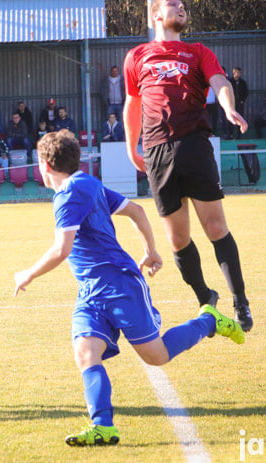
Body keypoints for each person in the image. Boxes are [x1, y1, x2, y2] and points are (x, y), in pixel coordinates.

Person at [13, 130, 244, 447]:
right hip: (91, 293)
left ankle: (209, 321)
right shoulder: (87, 183)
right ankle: (103, 426)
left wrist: (28, 274)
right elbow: (135, 210)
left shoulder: (69, 193)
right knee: (85, 351)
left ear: (44, 165)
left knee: (157, 356)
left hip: (119, 285)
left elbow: (61, 249)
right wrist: (150, 249)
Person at [122, 0, 253, 331]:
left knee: (215, 228)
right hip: (156, 152)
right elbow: (132, 105)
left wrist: (227, 105)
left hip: (194, 145)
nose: (180, 7)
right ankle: (204, 297)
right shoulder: (137, 56)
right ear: (155, 15)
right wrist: (130, 147)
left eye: (183, 4)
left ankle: (240, 301)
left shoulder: (197, 52)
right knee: (177, 240)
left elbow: (220, 81)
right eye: (172, 3)